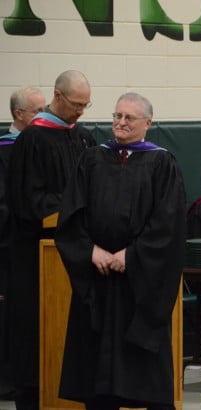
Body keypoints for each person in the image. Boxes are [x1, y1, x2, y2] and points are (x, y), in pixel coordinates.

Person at [55, 92, 186, 409]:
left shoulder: (161, 162)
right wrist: (89, 250)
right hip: (97, 278)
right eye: (117, 116)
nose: (121, 123)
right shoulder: (92, 159)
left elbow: (168, 222)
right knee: (96, 372)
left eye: (129, 117)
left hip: (139, 283)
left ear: (147, 123)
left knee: (146, 368)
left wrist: (133, 254)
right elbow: (71, 214)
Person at [7, 70, 95, 410]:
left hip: (73, 253)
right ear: (57, 95)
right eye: (76, 104)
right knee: (35, 337)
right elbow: (28, 200)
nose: (81, 112)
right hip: (37, 256)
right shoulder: (32, 140)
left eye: (86, 105)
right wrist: (70, 207)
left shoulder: (82, 137)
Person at [0, 86, 46, 400]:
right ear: (19, 114)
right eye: (37, 112)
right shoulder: (5, 149)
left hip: (43, 254)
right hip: (11, 251)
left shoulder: (47, 144)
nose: (44, 117)